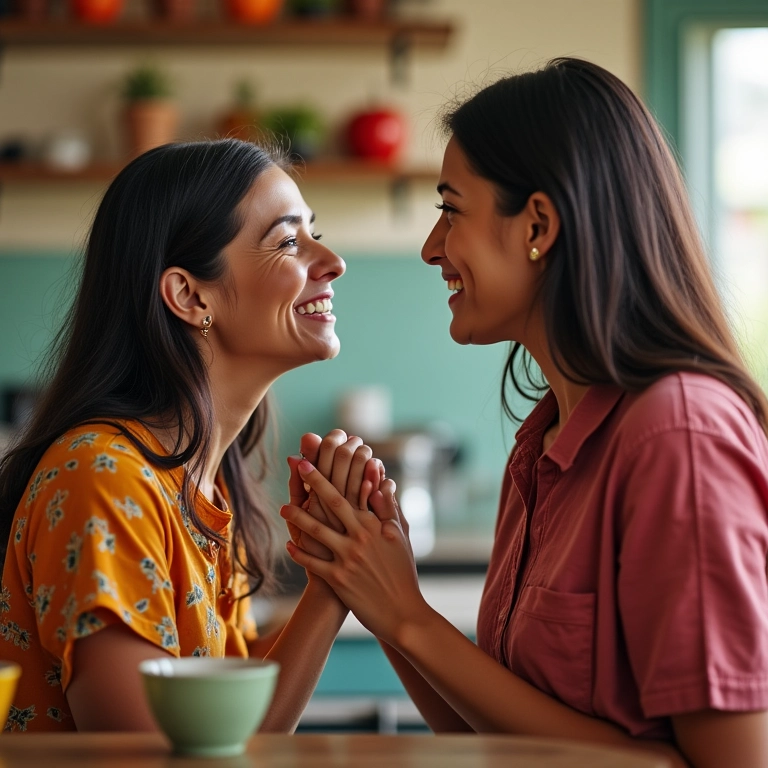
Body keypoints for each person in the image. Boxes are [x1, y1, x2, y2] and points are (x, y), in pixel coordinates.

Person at [280, 58, 768, 768]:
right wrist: (382, 593)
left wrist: (412, 619)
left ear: (538, 223)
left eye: (450, 209)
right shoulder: (542, 447)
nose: (430, 248)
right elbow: (495, 743)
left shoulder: (677, 436)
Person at [0, 138, 382, 733]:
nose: (331, 260)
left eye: (314, 232)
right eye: (288, 241)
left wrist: (336, 573)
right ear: (189, 295)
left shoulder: (197, 479)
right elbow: (152, 754)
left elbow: (229, 723)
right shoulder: (101, 478)